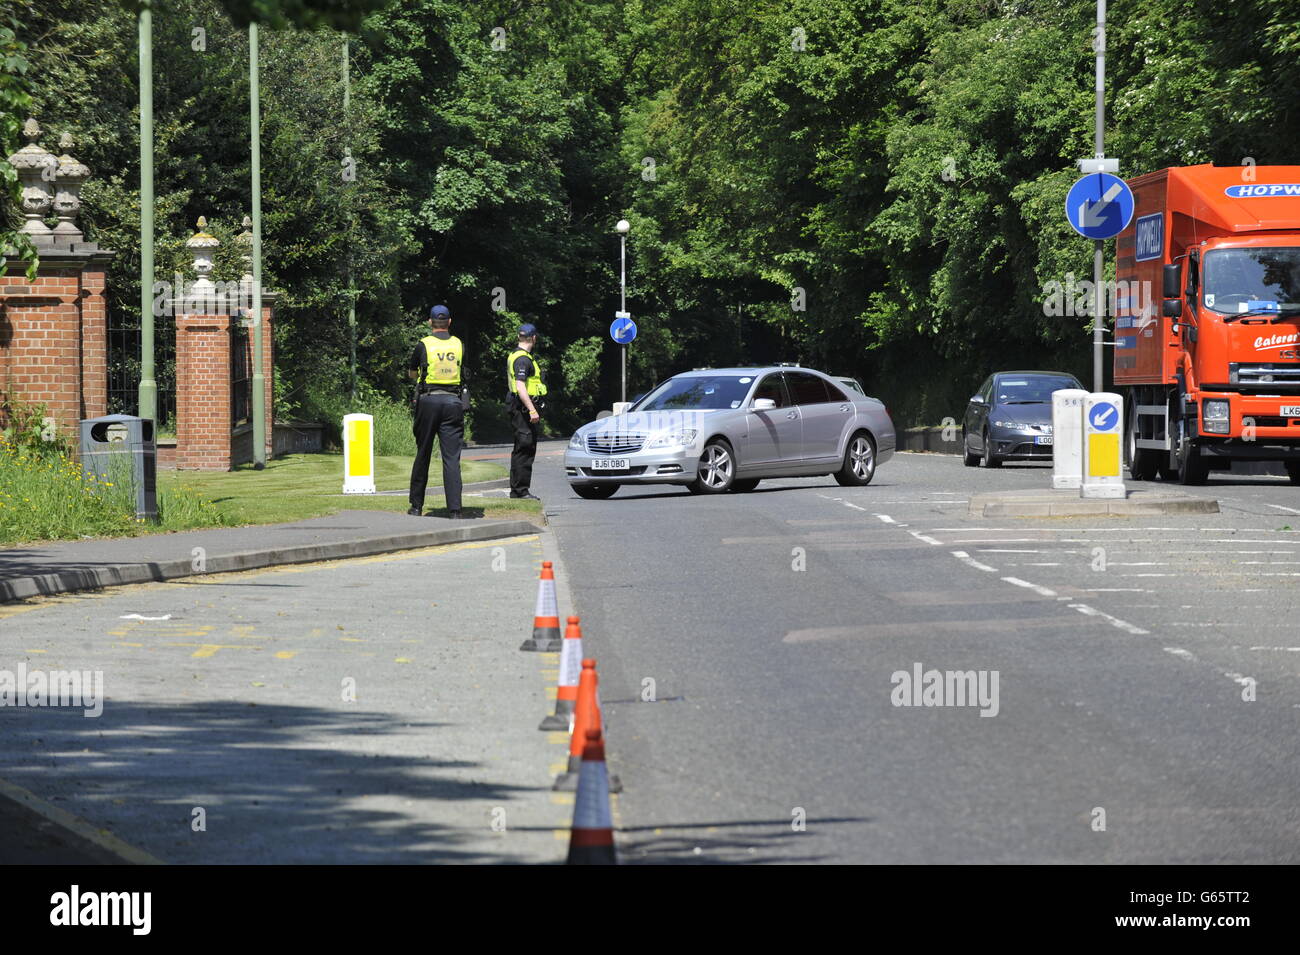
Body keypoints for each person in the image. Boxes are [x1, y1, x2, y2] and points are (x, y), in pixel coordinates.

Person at [407, 304, 468, 518]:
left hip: (428, 401)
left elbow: (412, 374)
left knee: (423, 453)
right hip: (453, 402)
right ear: (449, 322)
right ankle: (455, 510)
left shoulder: (423, 345)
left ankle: (416, 507)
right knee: (451, 458)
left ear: (430, 322)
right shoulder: (458, 344)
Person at [506, 323, 547, 500]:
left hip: (520, 408)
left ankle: (518, 490)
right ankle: (520, 491)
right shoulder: (523, 359)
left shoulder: (517, 355)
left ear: (519, 337)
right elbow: (520, 386)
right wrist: (532, 410)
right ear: (534, 338)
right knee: (525, 449)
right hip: (523, 410)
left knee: (522, 448)